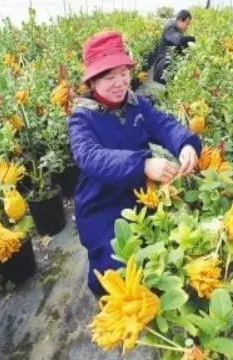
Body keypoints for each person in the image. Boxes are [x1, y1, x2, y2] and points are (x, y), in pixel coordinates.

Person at [67, 31, 202, 295]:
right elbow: (89, 157)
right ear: (92, 81)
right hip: (101, 202)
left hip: (140, 195)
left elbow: (163, 125)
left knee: (156, 251)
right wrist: (142, 165)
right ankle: (107, 300)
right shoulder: (81, 119)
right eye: (109, 77)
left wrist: (186, 144)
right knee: (112, 268)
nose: (120, 83)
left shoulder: (136, 104)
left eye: (123, 74)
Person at [152, 10, 196, 85]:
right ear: (180, 21)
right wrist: (192, 38)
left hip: (168, 64)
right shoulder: (169, 29)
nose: (188, 27)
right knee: (167, 88)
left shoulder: (176, 29)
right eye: (187, 24)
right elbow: (178, 40)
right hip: (163, 67)